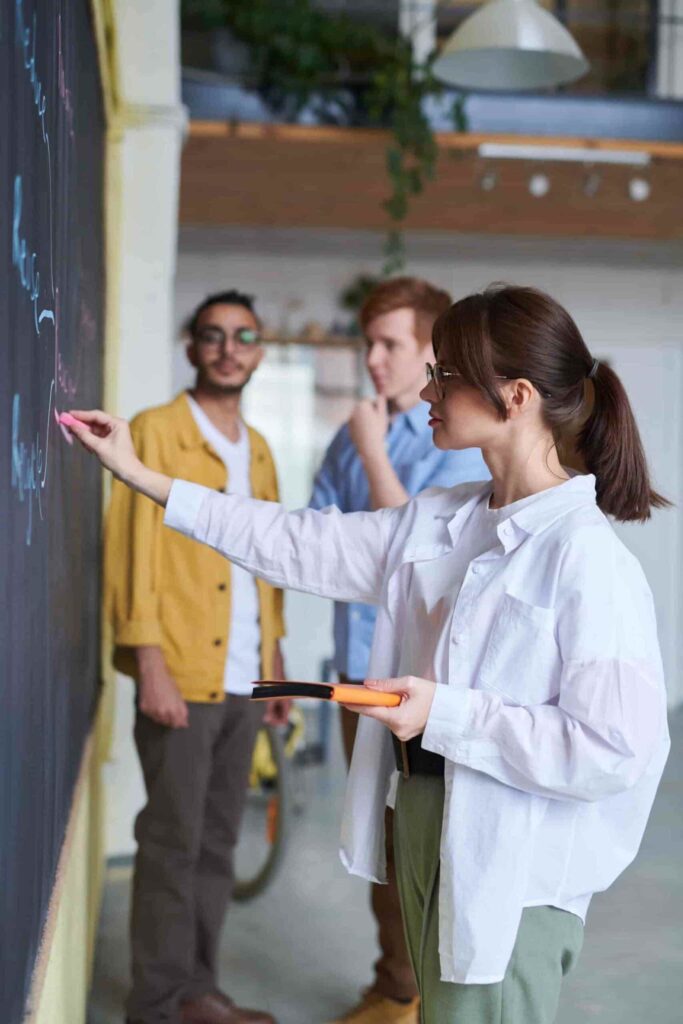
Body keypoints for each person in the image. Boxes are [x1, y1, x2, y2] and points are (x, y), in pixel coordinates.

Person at [69, 284, 670, 1024]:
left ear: (514, 396)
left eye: (444, 374)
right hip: (424, 814)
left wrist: (444, 712)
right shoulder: (443, 519)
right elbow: (294, 540)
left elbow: (609, 751)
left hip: (509, 857)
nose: (425, 388)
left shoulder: (587, 561)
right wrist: (145, 477)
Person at [104, 290, 287, 1024]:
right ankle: (153, 1004)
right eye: (213, 336)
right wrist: (148, 661)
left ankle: (196, 994)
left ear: (259, 350)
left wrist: (273, 665)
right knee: (171, 844)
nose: (228, 349)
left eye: (243, 336)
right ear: (192, 348)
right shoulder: (153, 431)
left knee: (217, 843)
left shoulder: (262, 448)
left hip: (244, 677)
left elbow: (268, 561)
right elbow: (131, 553)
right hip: (180, 671)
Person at [309, 277, 489, 1024]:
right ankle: (395, 988)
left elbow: (410, 556)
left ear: (429, 352)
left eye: (391, 344)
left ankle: (419, 994)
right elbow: (320, 541)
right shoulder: (352, 430)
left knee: (428, 839)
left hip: (425, 683)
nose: (374, 358)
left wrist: (371, 449)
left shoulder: (452, 440)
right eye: (369, 342)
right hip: (356, 667)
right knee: (375, 836)